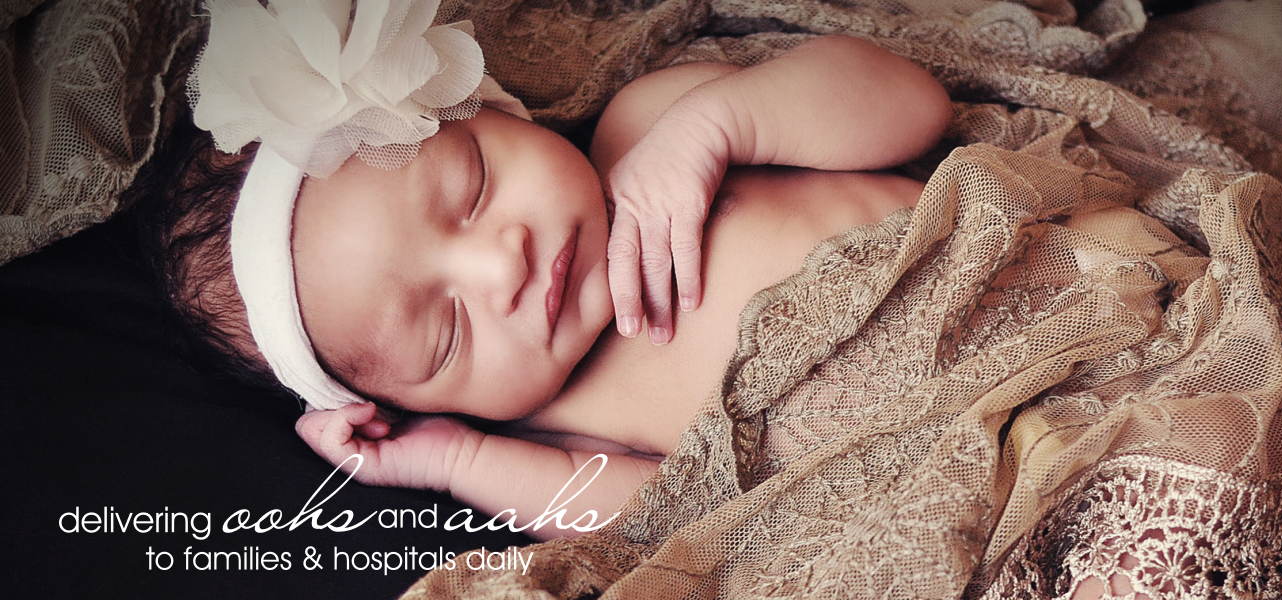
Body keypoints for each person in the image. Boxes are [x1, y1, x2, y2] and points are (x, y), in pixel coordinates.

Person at [161, 0, 950, 542]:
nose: (502, 264)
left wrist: (719, 127)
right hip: (962, 475)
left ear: (494, 113)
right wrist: (453, 460)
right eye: (448, 333)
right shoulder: (556, 427)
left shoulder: (651, 127)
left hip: (1038, 278)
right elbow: (668, 521)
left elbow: (914, 103)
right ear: (403, 402)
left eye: (472, 188)